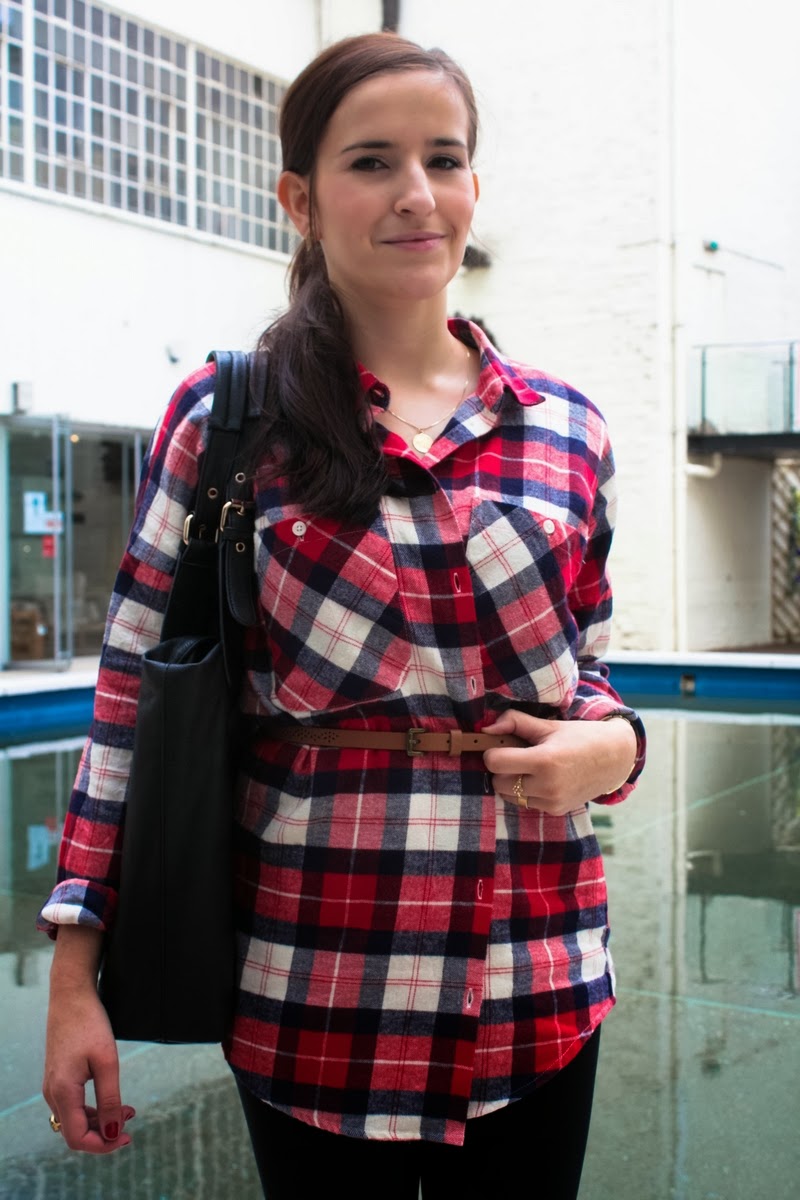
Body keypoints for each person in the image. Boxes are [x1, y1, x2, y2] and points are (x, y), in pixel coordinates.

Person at [38, 31, 645, 1200]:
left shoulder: (566, 429)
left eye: (442, 159)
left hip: (537, 980)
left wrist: (613, 745)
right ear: (299, 200)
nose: (416, 193)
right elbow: (129, 704)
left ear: (472, 185)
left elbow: (593, 671)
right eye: (371, 161)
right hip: (314, 983)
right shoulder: (229, 418)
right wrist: (75, 981)